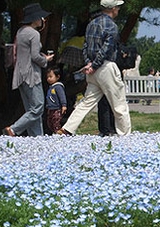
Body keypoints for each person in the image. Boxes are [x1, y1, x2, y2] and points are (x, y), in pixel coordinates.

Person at [57, 0, 131, 136]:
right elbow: (107, 49)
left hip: (91, 69)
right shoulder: (112, 26)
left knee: (86, 102)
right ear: (113, 8)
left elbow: (85, 46)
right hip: (106, 67)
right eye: (118, 7)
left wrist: (89, 63)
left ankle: (67, 128)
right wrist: (95, 64)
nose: (119, 10)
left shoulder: (92, 23)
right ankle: (125, 134)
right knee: (119, 103)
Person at [3, 3, 55, 137]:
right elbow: (35, 56)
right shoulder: (34, 33)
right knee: (38, 107)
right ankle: (14, 129)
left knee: (30, 110)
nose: (42, 19)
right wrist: (46, 60)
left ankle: (36, 138)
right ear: (35, 18)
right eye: (41, 17)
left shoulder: (20, 32)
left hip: (19, 75)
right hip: (31, 75)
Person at [45, 67, 67, 134]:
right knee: (50, 122)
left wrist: (64, 105)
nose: (48, 79)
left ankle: (59, 134)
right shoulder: (51, 87)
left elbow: (62, 96)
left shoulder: (58, 87)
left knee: (56, 122)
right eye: (47, 77)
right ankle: (55, 133)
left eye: (51, 76)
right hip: (50, 108)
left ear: (58, 77)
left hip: (57, 108)